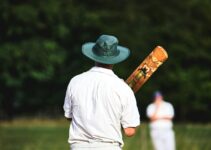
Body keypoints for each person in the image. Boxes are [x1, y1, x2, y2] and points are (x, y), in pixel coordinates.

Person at [63, 35, 140, 150]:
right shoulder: (123, 88)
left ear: (94, 55)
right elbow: (129, 131)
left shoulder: (75, 81)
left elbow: (69, 116)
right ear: (115, 59)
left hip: (79, 147)